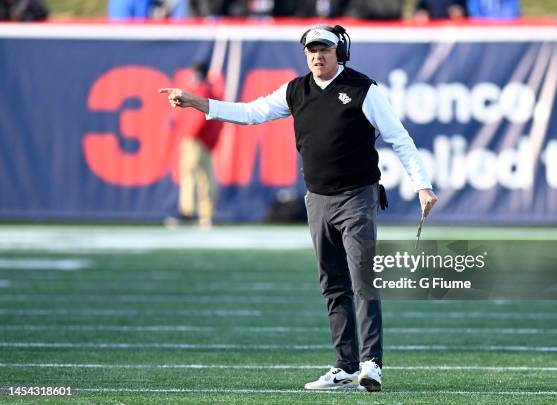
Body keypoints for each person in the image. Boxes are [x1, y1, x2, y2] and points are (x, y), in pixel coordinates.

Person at [159, 24, 437, 392]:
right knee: (332, 284)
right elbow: (249, 112)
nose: (317, 56)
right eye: (311, 50)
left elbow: (399, 138)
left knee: (362, 279)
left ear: (339, 52)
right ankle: (345, 366)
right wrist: (197, 102)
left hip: (357, 196)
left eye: (324, 49)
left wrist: (422, 184)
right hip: (317, 199)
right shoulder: (296, 90)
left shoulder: (363, 89)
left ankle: (371, 364)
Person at [169, 62, 223, 227]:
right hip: (203, 141)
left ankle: (189, 212)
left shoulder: (202, 90)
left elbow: (199, 119)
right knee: (205, 177)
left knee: (193, 176)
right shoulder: (209, 90)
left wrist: (190, 135)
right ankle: (207, 215)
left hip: (196, 141)